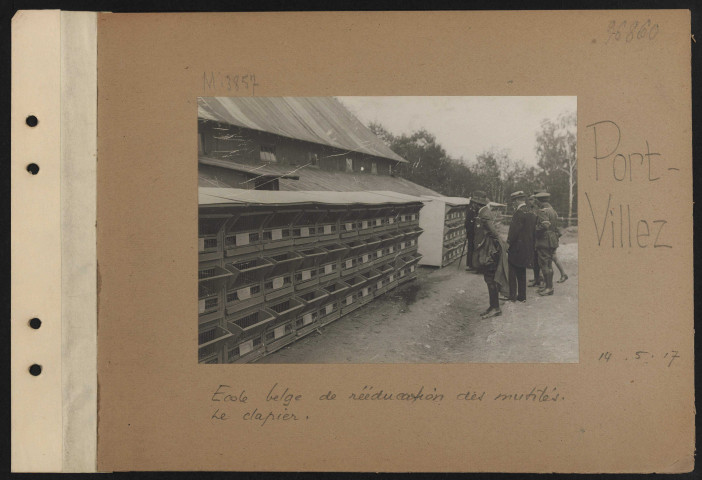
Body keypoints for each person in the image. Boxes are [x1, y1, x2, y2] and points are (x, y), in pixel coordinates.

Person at [470, 191, 502, 318]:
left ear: (478, 203)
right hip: (486, 248)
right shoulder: (483, 212)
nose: (473, 205)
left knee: (490, 279)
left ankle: (496, 307)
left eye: (474, 203)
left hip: (487, 250)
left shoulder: (484, 213)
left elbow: (493, 232)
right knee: (488, 279)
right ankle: (493, 306)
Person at [506, 191, 535, 302]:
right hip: (527, 247)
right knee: (522, 271)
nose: (513, 204)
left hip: (516, 247)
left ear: (517, 200)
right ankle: (522, 296)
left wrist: (508, 243)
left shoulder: (518, 213)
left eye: (513, 201)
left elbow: (514, 231)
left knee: (512, 271)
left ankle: (512, 296)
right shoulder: (530, 211)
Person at [533, 191, 559, 296]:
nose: (536, 202)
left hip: (544, 240)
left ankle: (549, 288)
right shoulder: (553, 211)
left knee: (544, 264)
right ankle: (549, 286)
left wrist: (534, 229)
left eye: (536, 200)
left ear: (539, 201)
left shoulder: (542, 211)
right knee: (549, 264)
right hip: (552, 240)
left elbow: (545, 226)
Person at [527, 192, 543, 288]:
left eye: (532, 199)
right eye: (529, 199)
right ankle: (536, 278)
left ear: (536, 200)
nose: (530, 201)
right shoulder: (530, 209)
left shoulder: (539, 210)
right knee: (533, 259)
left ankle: (540, 279)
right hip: (531, 237)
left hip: (537, 237)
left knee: (539, 259)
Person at [464, 200, 480, 271]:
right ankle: (470, 265)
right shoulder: (470, 211)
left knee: (474, 249)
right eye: (474, 203)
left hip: (475, 233)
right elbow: (467, 223)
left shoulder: (476, 211)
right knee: (470, 249)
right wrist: (468, 231)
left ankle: (474, 265)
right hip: (471, 233)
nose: (475, 205)